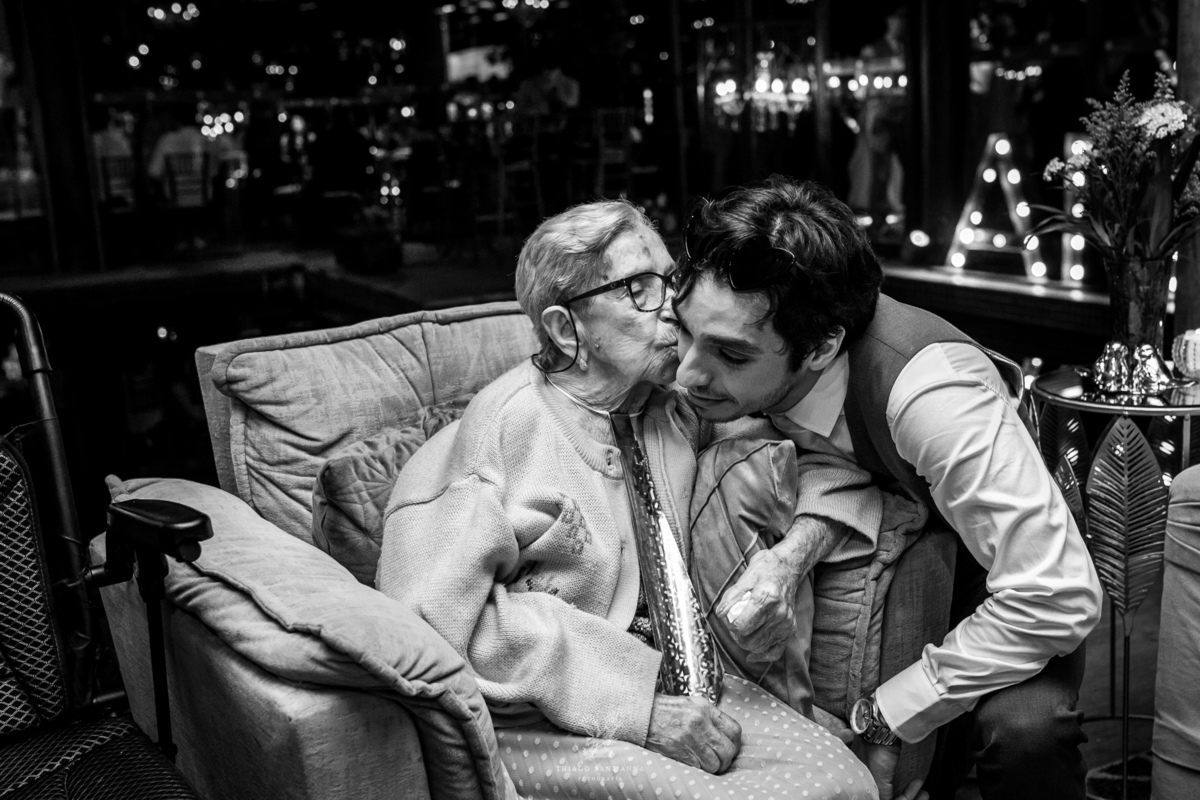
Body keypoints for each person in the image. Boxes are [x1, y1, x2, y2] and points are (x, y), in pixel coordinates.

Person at [376, 199, 879, 800]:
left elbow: (831, 465)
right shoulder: (501, 432)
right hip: (542, 720)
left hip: (685, 684)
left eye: (672, 278)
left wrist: (791, 557)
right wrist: (636, 705)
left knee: (846, 782)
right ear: (567, 329)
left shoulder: (675, 406)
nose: (674, 305)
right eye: (639, 288)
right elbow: (428, 623)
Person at [671, 177, 1103, 800]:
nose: (686, 374)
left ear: (822, 347)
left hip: (1000, 570)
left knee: (1024, 735)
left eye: (731, 356)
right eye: (684, 331)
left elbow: (1054, 595)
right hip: (905, 556)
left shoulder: (932, 397)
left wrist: (886, 715)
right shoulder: (736, 355)